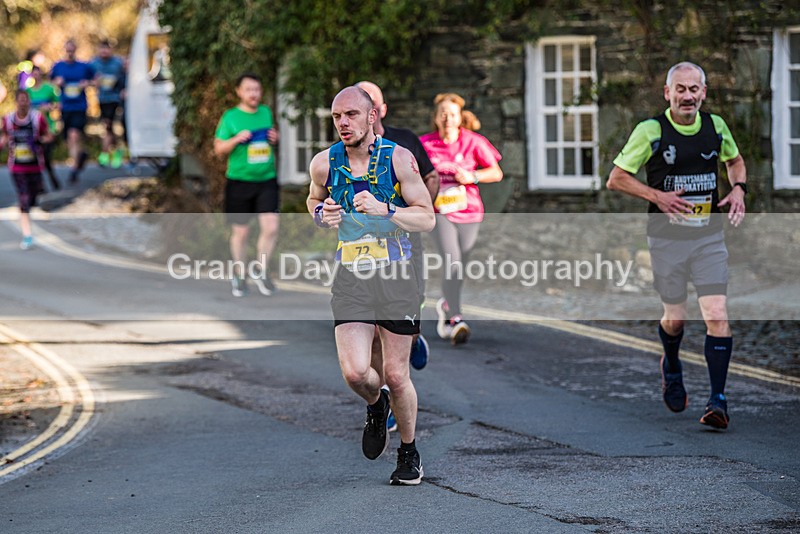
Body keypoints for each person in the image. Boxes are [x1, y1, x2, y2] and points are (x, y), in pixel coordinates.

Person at [607, 61, 747, 430]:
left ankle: (718, 400)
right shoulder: (651, 130)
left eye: (694, 89)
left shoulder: (716, 126)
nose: (688, 96)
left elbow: (735, 161)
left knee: (716, 313)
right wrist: (658, 197)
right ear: (667, 93)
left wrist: (738, 189)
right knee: (676, 318)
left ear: (704, 92)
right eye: (680, 89)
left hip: (708, 237)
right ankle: (671, 363)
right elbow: (617, 179)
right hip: (667, 240)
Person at [307, 86, 435, 485]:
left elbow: (427, 217)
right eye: (336, 117)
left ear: (371, 117)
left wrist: (388, 209)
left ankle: (409, 454)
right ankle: (376, 404)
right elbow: (312, 200)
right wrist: (321, 214)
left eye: (350, 115)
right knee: (356, 372)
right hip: (352, 276)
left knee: (396, 375)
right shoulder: (324, 164)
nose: (343, 123)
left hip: (396, 276)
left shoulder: (399, 159)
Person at [357, 81, 439, 374]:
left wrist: (416, 212)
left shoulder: (404, 142)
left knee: (407, 317)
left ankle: (413, 339)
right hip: (363, 248)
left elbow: (431, 177)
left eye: (374, 104)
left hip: (405, 242)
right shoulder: (346, 152)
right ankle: (384, 406)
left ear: (381, 110)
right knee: (377, 329)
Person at [420, 93, 503, 345]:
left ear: (460, 118)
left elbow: (496, 172)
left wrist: (473, 176)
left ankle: (447, 302)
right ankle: (456, 316)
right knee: (452, 260)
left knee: (461, 262)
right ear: (435, 118)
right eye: (442, 113)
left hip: (469, 210)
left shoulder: (474, 142)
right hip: (438, 212)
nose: (447, 118)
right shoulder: (424, 144)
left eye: (452, 114)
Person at [213, 73, 280, 297]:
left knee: (271, 227)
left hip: (266, 179)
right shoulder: (230, 117)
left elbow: (272, 140)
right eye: (249, 89)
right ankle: (240, 274)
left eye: (257, 89)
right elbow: (218, 149)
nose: (254, 94)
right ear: (239, 92)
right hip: (239, 181)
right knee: (241, 233)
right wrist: (236, 139)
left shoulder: (265, 112)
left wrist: (274, 138)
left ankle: (261, 270)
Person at [0, 90, 53, 249]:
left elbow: (49, 135)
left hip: (35, 164)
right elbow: (4, 135)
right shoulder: (8, 119)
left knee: (34, 195)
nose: (24, 103)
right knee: (23, 199)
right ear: (16, 102)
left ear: (29, 101)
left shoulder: (37, 118)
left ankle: (34, 206)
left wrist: (40, 140)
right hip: (17, 166)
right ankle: (27, 235)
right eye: (21, 100)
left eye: (26, 100)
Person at [51, 39, 94, 184]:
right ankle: (80, 156)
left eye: (72, 50)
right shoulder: (58, 66)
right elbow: (50, 82)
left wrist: (86, 83)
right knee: (70, 139)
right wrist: (57, 83)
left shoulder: (84, 66)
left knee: (74, 135)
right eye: (67, 50)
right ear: (64, 50)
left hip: (79, 106)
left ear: (75, 50)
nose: (70, 52)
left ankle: (74, 168)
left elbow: (95, 80)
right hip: (65, 107)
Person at [90, 40, 127, 169]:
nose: (104, 51)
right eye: (102, 49)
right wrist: (94, 82)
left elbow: (126, 75)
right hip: (102, 99)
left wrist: (124, 88)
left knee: (109, 125)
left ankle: (105, 154)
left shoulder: (118, 63)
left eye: (107, 49)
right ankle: (116, 152)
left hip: (116, 99)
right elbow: (88, 78)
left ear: (111, 50)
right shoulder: (94, 63)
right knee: (108, 127)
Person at [27, 65, 61, 190]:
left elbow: (58, 104)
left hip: (47, 127)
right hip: (33, 128)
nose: (36, 75)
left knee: (46, 156)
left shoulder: (49, 88)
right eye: (34, 73)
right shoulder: (28, 91)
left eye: (38, 73)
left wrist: (50, 107)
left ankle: (52, 178)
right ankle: (40, 185)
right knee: (35, 157)